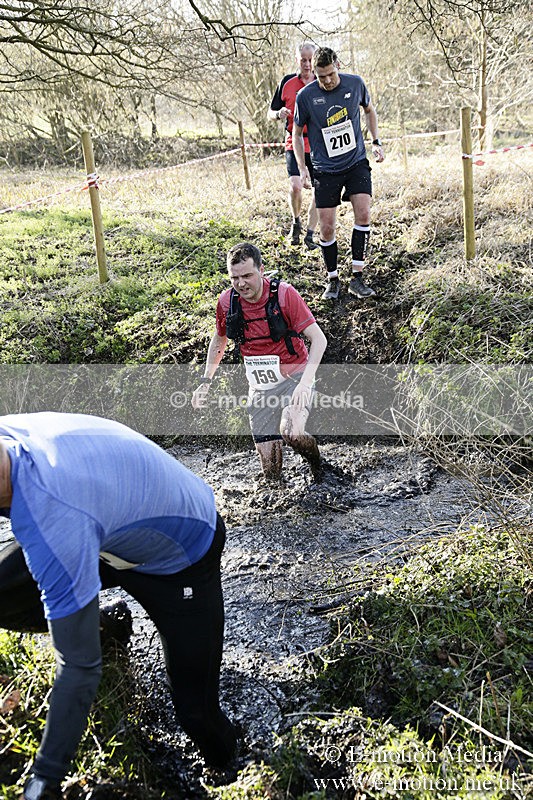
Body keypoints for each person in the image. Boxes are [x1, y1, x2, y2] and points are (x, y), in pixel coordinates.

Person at [0, 412, 237, 800]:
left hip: (181, 559)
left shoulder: (54, 514)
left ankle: (233, 771)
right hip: (106, 531)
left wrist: (43, 779)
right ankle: (104, 627)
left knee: (196, 715)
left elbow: (78, 668)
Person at [192, 242, 327, 481]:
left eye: (247, 275)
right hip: (261, 387)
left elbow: (319, 340)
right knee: (271, 471)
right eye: (234, 278)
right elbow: (219, 341)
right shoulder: (227, 302)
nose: (241, 283)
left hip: (295, 377)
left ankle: (319, 467)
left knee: (292, 433)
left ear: (261, 270)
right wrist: (205, 382)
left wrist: (306, 383)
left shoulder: (284, 295)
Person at [293, 46, 385, 300]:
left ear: (338, 66)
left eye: (331, 74)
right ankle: (332, 279)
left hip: (356, 162)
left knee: (364, 214)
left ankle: (357, 277)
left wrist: (376, 141)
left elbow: (369, 110)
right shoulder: (306, 96)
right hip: (325, 169)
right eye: (321, 76)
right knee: (327, 228)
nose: (327, 81)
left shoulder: (355, 85)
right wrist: (303, 168)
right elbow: (297, 133)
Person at [268, 42, 320, 250]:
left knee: (320, 190)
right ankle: (296, 222)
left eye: (310, 60)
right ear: (296, 60)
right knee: (296, 186)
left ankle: (310, 234)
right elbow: (269, 112)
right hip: (293, 140)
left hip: (318, 143)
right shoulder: (287, 82)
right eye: (303, 60)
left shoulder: (321, 81)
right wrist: (278, 114)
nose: (307, 65)